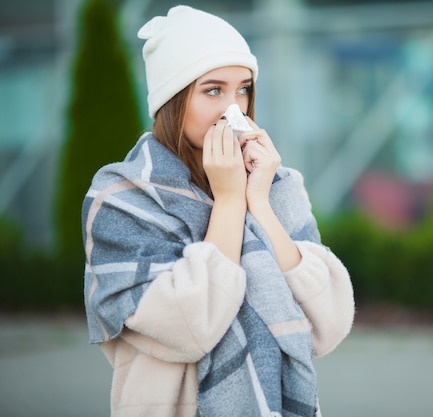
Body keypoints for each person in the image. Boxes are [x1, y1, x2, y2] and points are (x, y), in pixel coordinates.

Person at [82, 5, 354, 417]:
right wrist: (228, 202)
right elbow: (190, 329)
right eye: (213, 90)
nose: (235, 110)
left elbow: (328, 323)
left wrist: (257, 201)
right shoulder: (121, 198)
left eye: (243, 89)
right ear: (173, 100)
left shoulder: (278, 186)